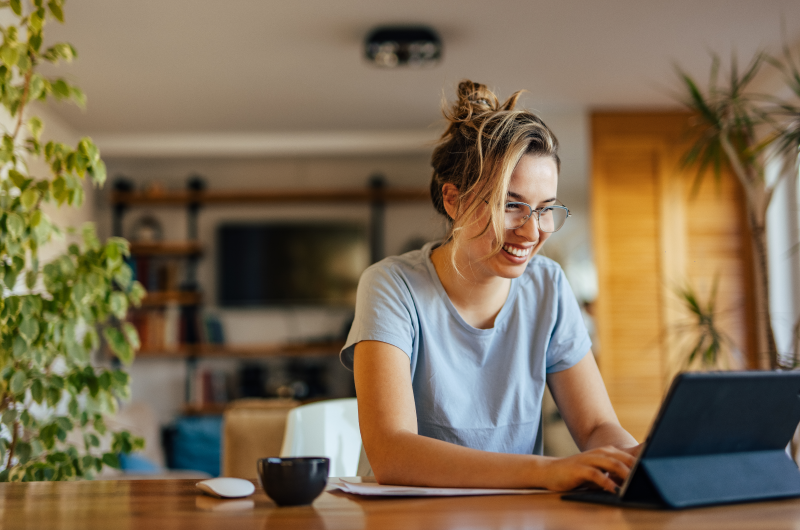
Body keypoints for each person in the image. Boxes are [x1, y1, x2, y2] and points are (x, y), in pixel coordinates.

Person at [340, 80, 639, 492]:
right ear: (453, 200)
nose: (532, 231)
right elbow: (392, 452)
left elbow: (597, 426)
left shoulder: (548, 285)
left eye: (546, 209)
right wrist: (547, 471)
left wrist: (630, 460)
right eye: (510, 205)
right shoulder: (392, 286)